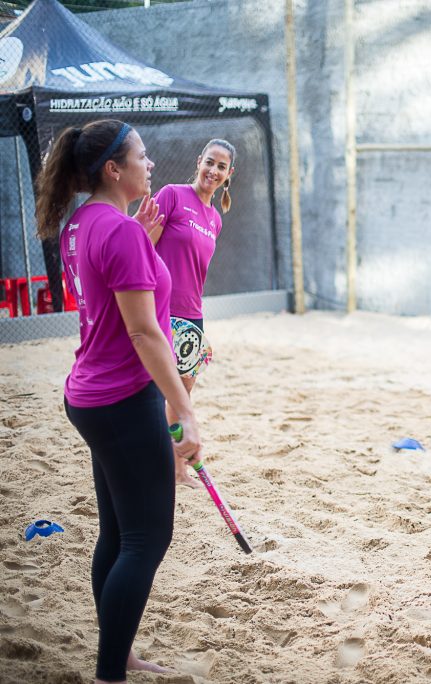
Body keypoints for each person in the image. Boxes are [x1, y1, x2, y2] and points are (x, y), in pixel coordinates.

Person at [35, 119, 202, 683]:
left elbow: (113, 293)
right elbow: (143, 333)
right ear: (114, 169)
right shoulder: (120, 231)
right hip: (121, 400)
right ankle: (111, 674)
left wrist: (142, 241)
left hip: (88, 396)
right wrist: (183, 407)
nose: (150, 165)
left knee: (118, 532)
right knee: (147, 537)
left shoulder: (82, 224)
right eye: (142, 156)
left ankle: (117, 653)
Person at [148, 139, 235, 488]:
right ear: (199, 161)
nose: (213, 171)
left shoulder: (215, 219)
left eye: (221, 167)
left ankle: (177, 470)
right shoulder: (171, 195)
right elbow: (142, 245)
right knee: (159, 394)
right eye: (209, 162)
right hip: (160, 310)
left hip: (193, 316)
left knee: (182, 396)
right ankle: (159, 469)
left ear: (229, 175)